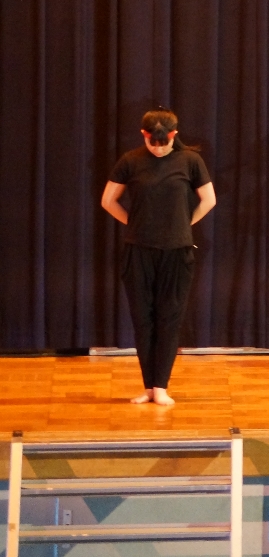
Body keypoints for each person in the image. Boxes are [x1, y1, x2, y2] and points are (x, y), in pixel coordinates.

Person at [101, 108, 217, 406]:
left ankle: (161, 386)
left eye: (163, 143)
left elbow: (209, 199)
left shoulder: (190, 161)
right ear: (144, 135)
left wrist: (183, 224)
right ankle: (148, 386)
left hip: (177, 253)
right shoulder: (131, 160)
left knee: (169, 318)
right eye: (153, 143)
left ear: (174, 135)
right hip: (138, 252)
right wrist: (135, 223)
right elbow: (108, 200)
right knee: (143, 319)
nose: (158, 148)